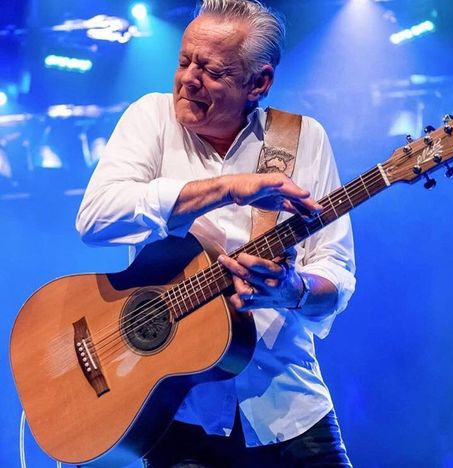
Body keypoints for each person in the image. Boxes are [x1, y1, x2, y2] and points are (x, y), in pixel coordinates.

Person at [76, 0, 356, 466]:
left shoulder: (302, 138)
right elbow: (95, 219)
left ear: (259, 82)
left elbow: (336, 272)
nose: (188, 79)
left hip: (286, 406)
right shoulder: (151, 117)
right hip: (177, 414)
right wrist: (228, 188)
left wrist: (294, 289)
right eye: (185, 61)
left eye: (212, 71)